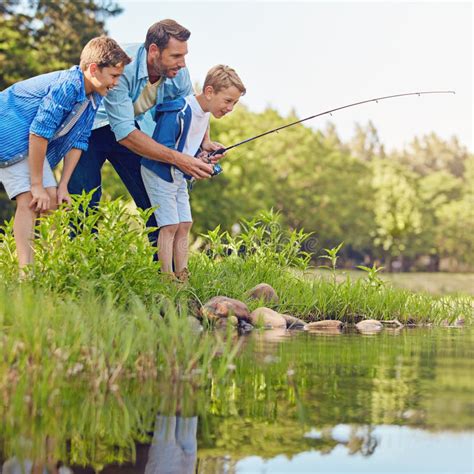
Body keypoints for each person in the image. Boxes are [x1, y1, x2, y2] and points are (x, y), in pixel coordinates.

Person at [67, 20, 221, 248]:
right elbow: (125, 133)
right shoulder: (122, 65)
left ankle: (162, 276)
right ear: (154, 51)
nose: (182, 63)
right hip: (89, 127)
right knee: (84, 202)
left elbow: (194, 107)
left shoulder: (178, 73)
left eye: (184, 55)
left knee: (156, 199)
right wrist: (179, 159)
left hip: (132, 128)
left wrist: (202, 144)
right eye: (176, 56)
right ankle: (80, 271)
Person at [0, 37, 130, 271]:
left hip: (28, 143)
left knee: (51, 203)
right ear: (93, 69)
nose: (116, 83)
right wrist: (37, 185)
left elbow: (79, 140)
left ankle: (50, 269)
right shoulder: (69, 85)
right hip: (8, 134)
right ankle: (25, 274)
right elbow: (39, 133)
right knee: (30, 200)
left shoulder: (94, 96)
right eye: (114, 75)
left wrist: (62, 186)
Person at [141, 65, 246, 280]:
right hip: (159, 172)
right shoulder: (180, 111)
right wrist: (191, 163)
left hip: (178, 175)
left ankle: (183, 274)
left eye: (234, 103)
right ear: (209, 92)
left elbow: (187, 149)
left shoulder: (204, 115)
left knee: (185, 224)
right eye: (228, 101)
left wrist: (202, 158)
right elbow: (164, 148)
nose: (230, 108)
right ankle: (166, 278)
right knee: (169, 225)